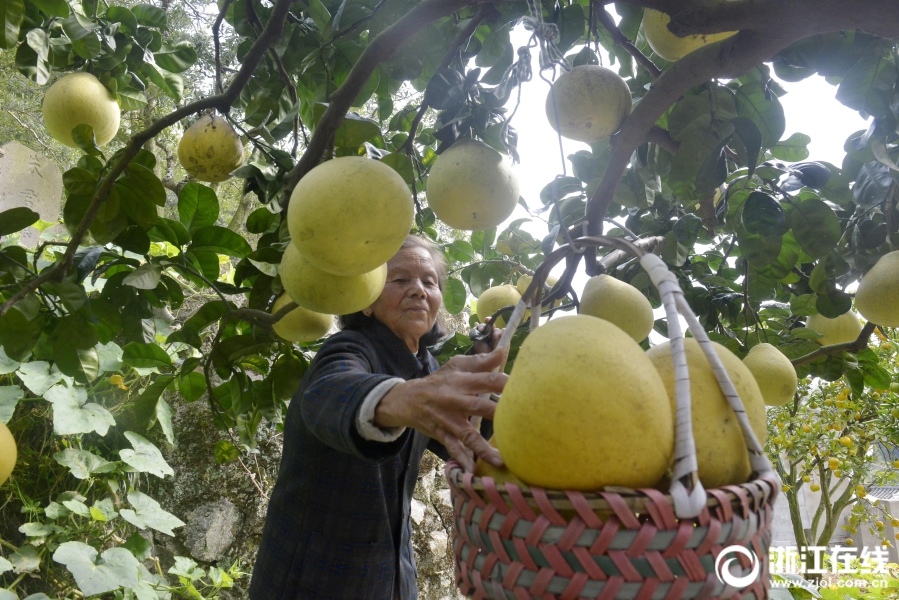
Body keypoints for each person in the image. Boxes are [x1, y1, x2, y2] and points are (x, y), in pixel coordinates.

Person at [250, 235, 507, 600]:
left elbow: (472, 439)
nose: (418, 290)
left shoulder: (426, 369)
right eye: (400, 280)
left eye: (429, 282)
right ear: (367, 301)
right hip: (312, 580)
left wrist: (484, 379)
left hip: (390, 576)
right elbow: (330, 391)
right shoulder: (350, 348)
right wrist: (401, 397)